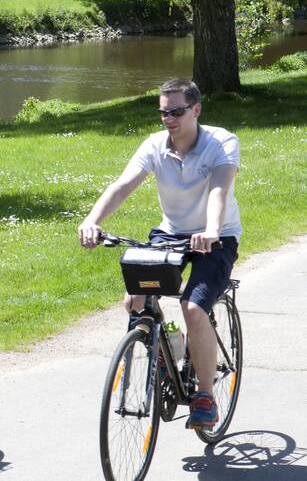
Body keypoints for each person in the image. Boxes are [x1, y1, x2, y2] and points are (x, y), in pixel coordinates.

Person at [78, 77, 241, 430]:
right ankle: (171, 345)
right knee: (135, 301)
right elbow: (122, 186)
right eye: (164, 112)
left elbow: (219, 188)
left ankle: (203, 396)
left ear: (196, 109)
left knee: (194, 306)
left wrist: (211, 230)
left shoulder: (221, 142)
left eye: (177, 112)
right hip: (170, 234)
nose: (169, 119)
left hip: (217, 237)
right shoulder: (155, 145)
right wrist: (92, 220)